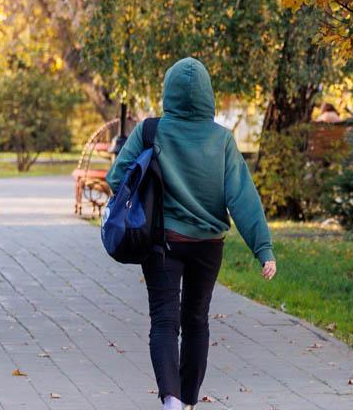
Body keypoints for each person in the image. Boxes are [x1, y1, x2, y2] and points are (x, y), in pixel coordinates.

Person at [107, 57, 275, 410]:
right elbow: (242, 197)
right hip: (208, 246)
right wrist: (263, 249)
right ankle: (189, 403)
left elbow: (116, 177)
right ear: (207, 95)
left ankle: (170, 400)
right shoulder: (221, 140)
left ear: (168, 92)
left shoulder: (151, 130)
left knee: (165, 321)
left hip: (161, 242)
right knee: (196, 320)